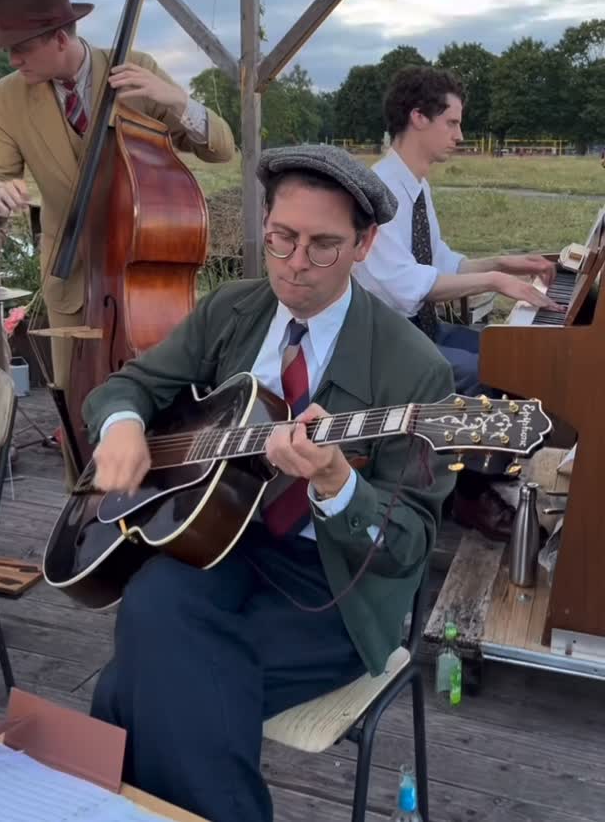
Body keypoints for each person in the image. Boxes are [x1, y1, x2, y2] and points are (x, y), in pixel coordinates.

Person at [82, 144, 457, 822]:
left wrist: (338, 484)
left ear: (366, 244)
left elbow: (406, 546)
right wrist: (121, 428)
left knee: (146, 681)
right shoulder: (234, 309)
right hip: (223, 545)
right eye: (281, 238)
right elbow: (128, 387)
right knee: (153, 603)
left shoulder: (415, 371)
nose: (294, 266)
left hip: (334, 586)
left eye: (323, 246)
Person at [0, 0, 235, 488]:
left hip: (146, 289)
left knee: (159, 408)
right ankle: (83, 524)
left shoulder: (137, 72)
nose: (13, 60)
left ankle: (162, 514)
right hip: (72, 281)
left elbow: (222, 149)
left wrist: (177, 102)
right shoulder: (10, 96)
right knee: (77, 418)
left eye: (21, 48)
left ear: (61, 36)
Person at [352, 66, 563, 541]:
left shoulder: (415, 184)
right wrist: (490, 279)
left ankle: (479, 480)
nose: (460, 135)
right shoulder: (379, 192)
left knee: (513, 355)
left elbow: (439, 260)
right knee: (493, 374)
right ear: (418, 118)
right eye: (452, 122)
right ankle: (466, 497)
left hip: (416, 328)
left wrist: (500, 263)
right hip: (382, 343)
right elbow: (403, 284)